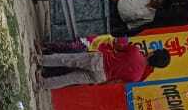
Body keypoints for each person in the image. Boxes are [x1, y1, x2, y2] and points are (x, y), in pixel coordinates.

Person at [41, 37, 170, 89]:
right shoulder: (137, 77)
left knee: (68, 60)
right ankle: (43, 84)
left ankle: (40, 60)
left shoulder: (135, 52)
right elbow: (116, 81)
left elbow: (117, 46)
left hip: (99, 61)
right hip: (102, 77)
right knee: (69, 79)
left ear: (152, 53)